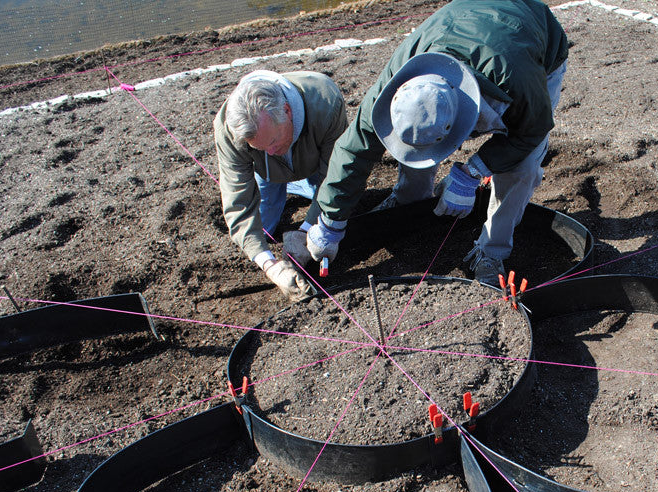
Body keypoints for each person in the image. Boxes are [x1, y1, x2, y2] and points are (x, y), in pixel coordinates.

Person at [303, 0, 569, 286]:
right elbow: (352, 150)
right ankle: (410, 198)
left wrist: (472, 173)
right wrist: (330, 223)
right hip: (463, 25)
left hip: (531, 43)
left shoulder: (516, 81)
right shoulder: (396, 82)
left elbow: (531, 132)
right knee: (417, 140)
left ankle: (490, 251)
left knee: (523, 166)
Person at [214, 69, 348, 301]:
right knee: (262, 226)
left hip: (315, 163)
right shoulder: (230, 130)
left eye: (273, 141)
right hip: (267, 174)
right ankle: (283, 185)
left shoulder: (325, 103)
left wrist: (306, 229)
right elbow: (238, 204)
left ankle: (303, 188)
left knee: (326, 201)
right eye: (260, 148)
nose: (271, 152)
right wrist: (268, 264)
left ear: (287, 111)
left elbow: (335, 178)